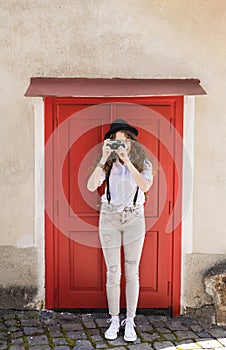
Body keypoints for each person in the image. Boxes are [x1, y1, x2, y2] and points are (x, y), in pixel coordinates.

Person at [87, 119, 153, 342]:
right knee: (113, 272)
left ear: (132, 143)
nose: (121, 146)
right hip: (109, 217)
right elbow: (90, 186)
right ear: (110, 144)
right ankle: (114, 318)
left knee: (132, 271)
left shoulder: (144, 163)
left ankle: (130, 320)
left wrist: (128, 162)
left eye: (124, 141)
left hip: (135, 217)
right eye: (116, 142)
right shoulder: (107, 164)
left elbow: (144, 186)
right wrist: (105, 157)